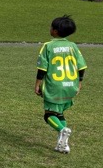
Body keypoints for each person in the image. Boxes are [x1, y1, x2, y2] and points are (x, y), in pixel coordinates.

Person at [35, 15, 87, 153]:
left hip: (54, 86)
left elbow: (42, 68)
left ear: (55, 31)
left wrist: (38, 84)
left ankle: (62, 130)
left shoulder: (48, 46)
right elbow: (82, 67)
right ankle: (62, 144)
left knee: (49, 115)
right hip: (70, 85)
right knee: (59, 113)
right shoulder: (73, 46)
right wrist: (79, 82)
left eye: (51, 27)